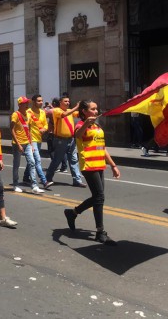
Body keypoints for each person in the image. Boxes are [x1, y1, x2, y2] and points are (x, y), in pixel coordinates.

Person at [63, 100, 121, 245]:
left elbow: (103, 148)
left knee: (98, 197)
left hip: (100, 165)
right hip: (89, 165)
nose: (96, 111)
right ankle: (100, 232)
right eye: (93, 109)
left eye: (96, 109)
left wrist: (113, 165)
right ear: (84, 111)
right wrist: (86, 124)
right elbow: (77, 135)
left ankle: (73, 213)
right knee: (99, 197)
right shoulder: (81, 125)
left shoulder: (97, 126)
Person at [46, 94, 87, 188]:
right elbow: (64, 115)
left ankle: (77, 180)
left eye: (68, 101)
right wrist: (76, 107)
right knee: (57, 160)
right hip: (60, 140)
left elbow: (80, 114)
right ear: (60, 103)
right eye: (65, 101)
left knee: (73, 160)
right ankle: (48, 178)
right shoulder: (56, 110)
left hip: (71, 139)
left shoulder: (70, 111)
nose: (68, 103)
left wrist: (86, 109)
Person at [11, 96, 44, 193]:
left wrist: (31, 145)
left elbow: (29, 130)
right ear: (20, 104)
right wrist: (18, 144)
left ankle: (34, 186)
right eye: (25, 103)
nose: (27, 105)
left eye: (27, 103)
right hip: (18, 143)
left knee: (32, 162)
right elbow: (11, 129)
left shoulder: (28, 115)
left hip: (28, 143)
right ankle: (15, 184)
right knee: (16, 164)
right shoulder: (15, 115)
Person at [27, 94, 50, 189]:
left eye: (42, 101)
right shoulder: (28, 112)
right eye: (39, 101)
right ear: (33, 102)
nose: (41, 102)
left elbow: (46, 124)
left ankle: (25, 177)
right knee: (37, 160)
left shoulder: (42, 112)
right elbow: (26, 127)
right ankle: (44, 181)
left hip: (39, 138)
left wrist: (44, 129)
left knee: (32, 160)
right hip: (32, 140)